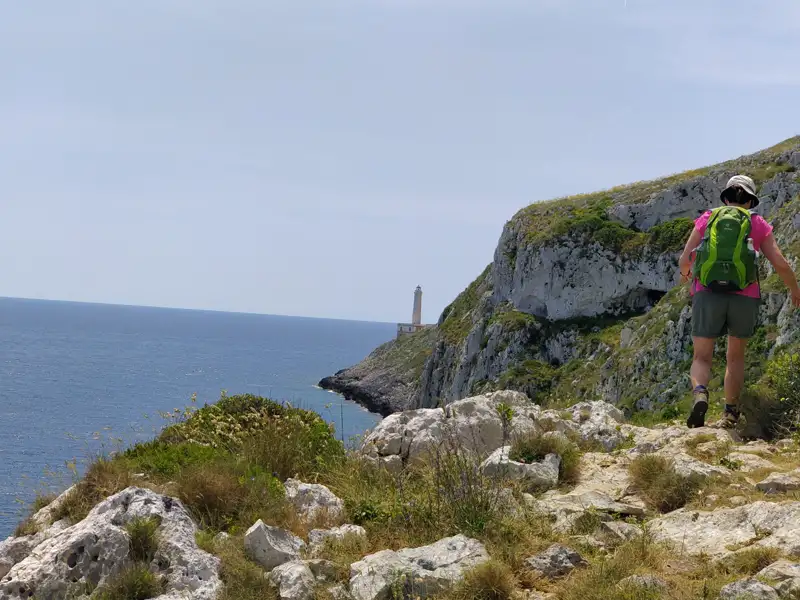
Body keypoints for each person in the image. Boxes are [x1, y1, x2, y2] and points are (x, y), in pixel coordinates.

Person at [678, 174, 800, 429]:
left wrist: (687, 274)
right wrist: (794, 290)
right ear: (750, 200)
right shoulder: (758, 223)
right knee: (735, 357)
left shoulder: (708, 217)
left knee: (702, 356)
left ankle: (700, 393)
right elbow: (780, 263)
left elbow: (685, 258)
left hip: (707, 292)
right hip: (745, 296)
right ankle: (730, 413)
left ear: (726, 197)